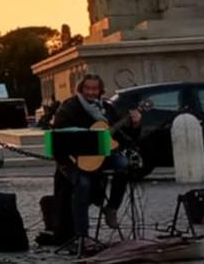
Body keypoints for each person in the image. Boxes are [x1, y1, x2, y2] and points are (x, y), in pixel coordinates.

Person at [50, 74, 141, 248]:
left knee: (124, 165)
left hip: (104, 157)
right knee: (82, 185)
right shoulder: (69, 108)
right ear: (81, 89)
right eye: (87, 89)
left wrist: (135, 124)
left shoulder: (107, 108)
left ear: (100, 90)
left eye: (95, 89)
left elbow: (126, 138)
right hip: (74, 161)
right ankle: (82, 235)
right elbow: (58, 139)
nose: (91, 92)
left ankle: (112, 207)